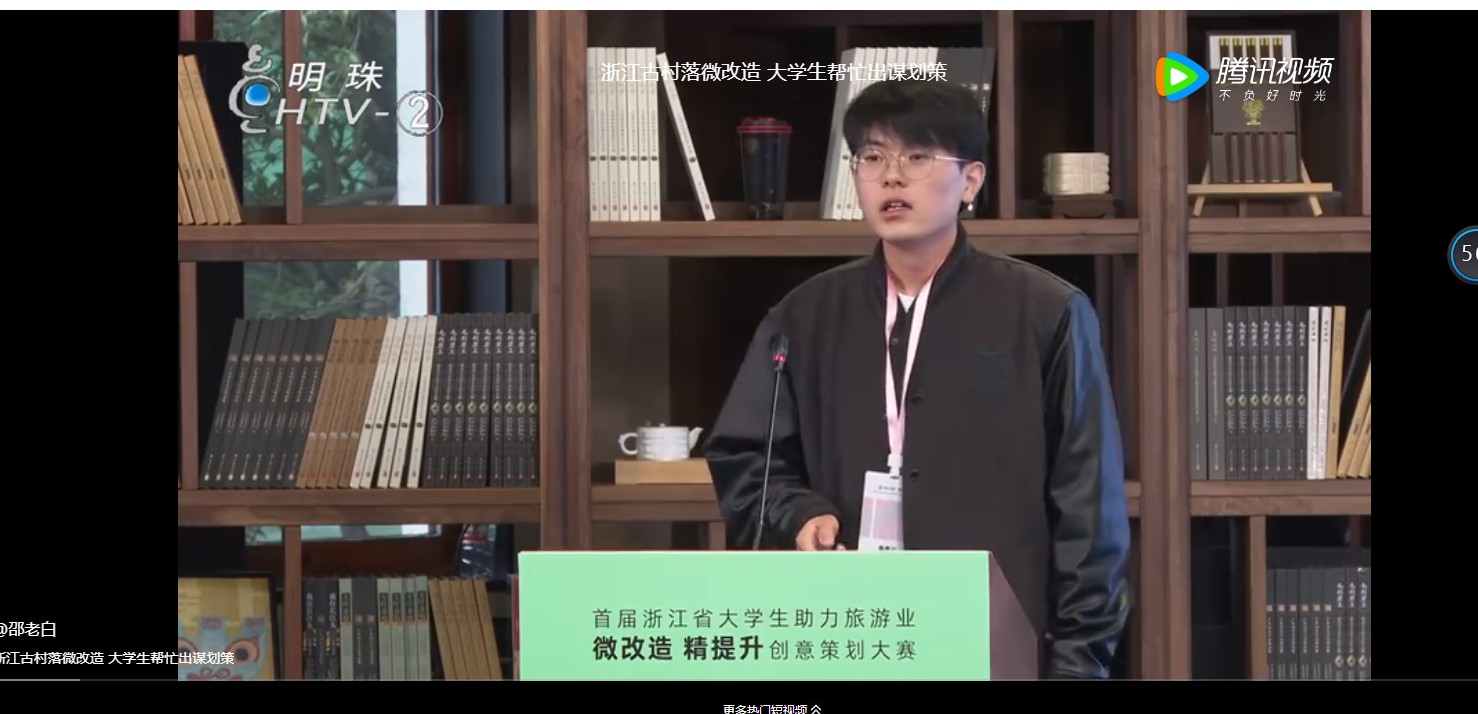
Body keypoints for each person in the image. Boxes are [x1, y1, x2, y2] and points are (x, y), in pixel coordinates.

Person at [703, 79, 1132, 679]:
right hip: (849, 635)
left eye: (918, 157)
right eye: (872, 157)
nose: (892, 177)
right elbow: (749, 458)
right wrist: (797, 514)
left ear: (971, 181)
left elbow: (1089, 507)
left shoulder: (1045, 312)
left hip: (994, 639)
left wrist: (1076, 666)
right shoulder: (804, 314)